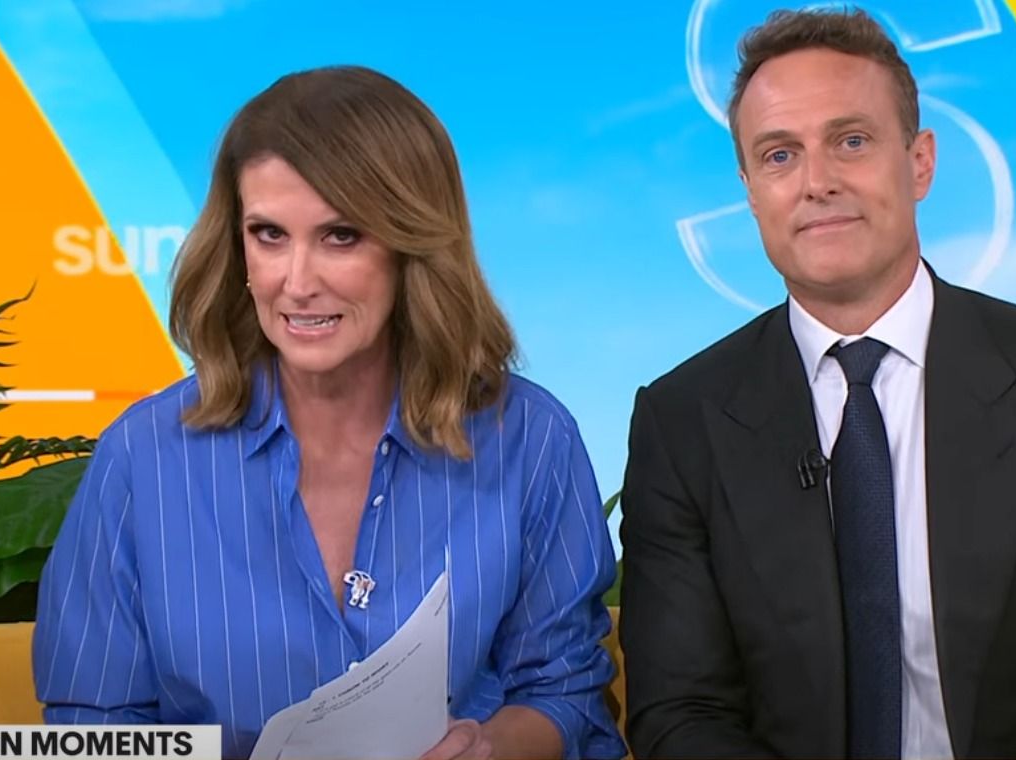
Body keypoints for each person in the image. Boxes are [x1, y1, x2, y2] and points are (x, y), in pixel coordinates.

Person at [618, 8, 1016, 759]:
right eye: (779, 155)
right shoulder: (682, 422)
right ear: (749, 190)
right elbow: (680, 714)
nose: (817, 182)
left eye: (851, 141)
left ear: (920, 162)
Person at [33, 66, 625, 760]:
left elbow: (566, 693)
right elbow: (93, 726)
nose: (297, 282)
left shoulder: (528, 439)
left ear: (411, 246)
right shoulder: (144, 457)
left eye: (341, 236)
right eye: (269, 235)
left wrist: (489, 748)